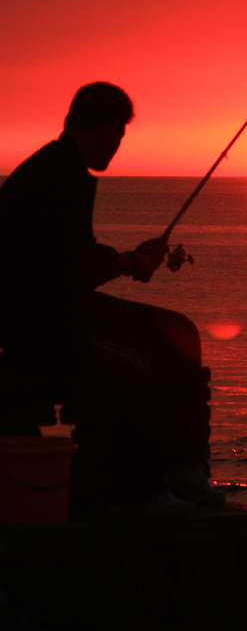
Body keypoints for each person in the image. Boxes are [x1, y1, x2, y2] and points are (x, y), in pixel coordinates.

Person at [0, 82, 224, 515]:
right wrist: (127, 262)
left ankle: (186, 465)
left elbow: (70, 261)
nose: (119, 146)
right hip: (40, 326)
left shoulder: (61, 169)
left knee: (178, 332)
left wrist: (131, 260)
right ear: (102, 128)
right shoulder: (57, 175)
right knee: (142, 360)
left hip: (59, 308)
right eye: (119, 135)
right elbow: (69, 269)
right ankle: (139, 487)